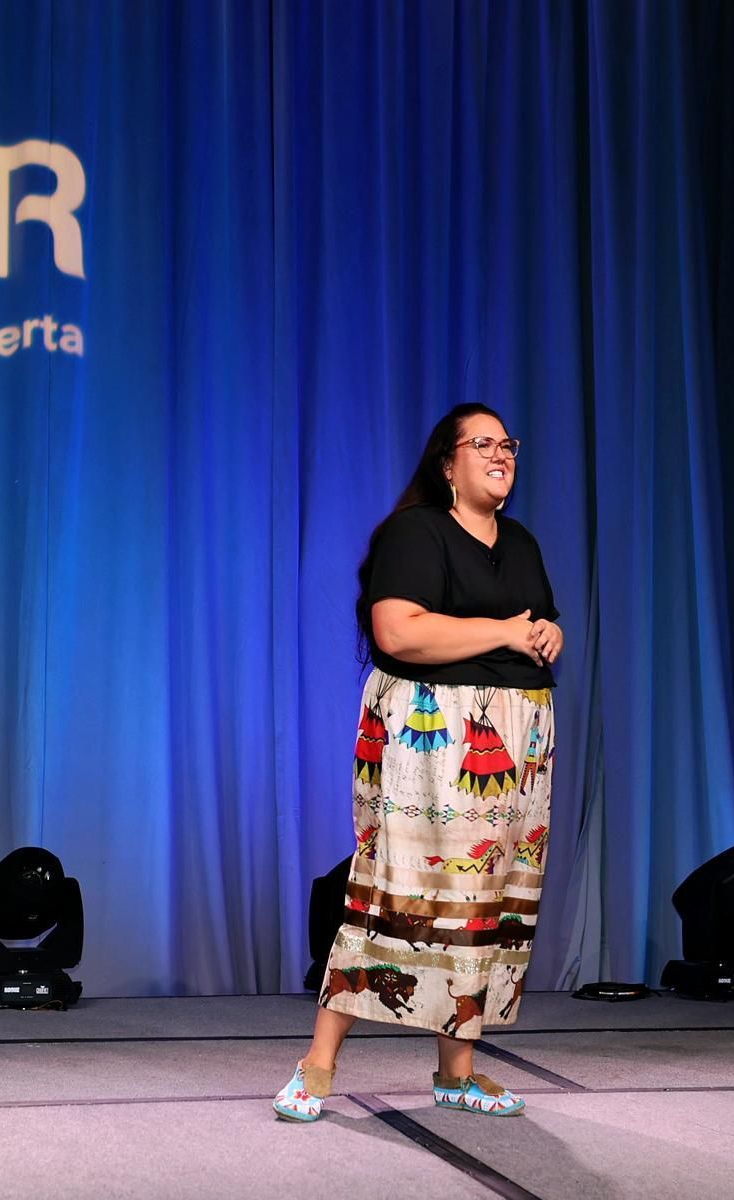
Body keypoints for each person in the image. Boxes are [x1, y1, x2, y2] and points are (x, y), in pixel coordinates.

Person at [274, 403, 562, 1122]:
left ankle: (457, 1071)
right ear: (447, 463)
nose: (501, 455)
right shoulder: (417, 532)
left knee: (485, 902)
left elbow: (536, 623)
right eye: (483, 444)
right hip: (433, 738)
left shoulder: (520, 541)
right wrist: (504, 630)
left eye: (509, 445)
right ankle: (317, 1065)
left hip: (517, 742)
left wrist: (548, 632)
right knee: (397, 892)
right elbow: (397, 630)